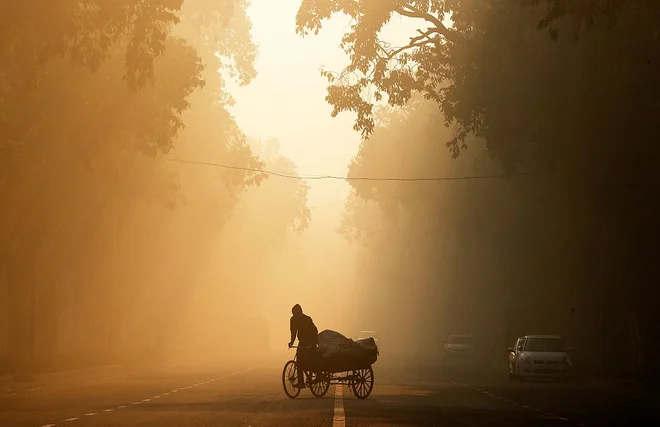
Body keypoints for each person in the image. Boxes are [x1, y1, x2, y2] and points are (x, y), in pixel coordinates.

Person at [288, 304, 318, 389]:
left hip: (310, 342)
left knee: (303, 362)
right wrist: (291, 342)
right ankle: (302, 382)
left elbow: (314, 331)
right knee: (300, 362)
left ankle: (303, 381)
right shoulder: (295, 319)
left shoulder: (305, 319)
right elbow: (293, 332)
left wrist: (313, 343)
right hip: (303, 342)